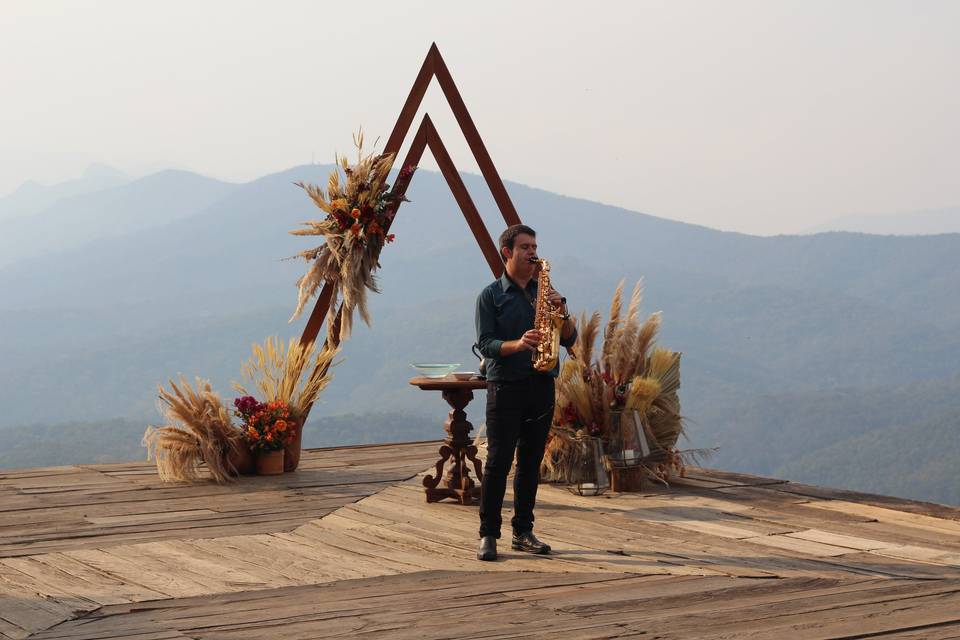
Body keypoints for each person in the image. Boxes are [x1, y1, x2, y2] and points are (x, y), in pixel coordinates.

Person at [474, 224, 577, 561]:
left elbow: (570, 339)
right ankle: (488, 535)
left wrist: (561, 308)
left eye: (534, 247)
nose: (532, 253)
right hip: (505, 386)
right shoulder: (490, 296)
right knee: (498, 462)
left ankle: (523, 531)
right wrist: (518, 344)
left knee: (530, 463)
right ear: (507, 252)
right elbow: (485, 344)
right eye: (525, 247)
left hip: (541, 384)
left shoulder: (543, 291)